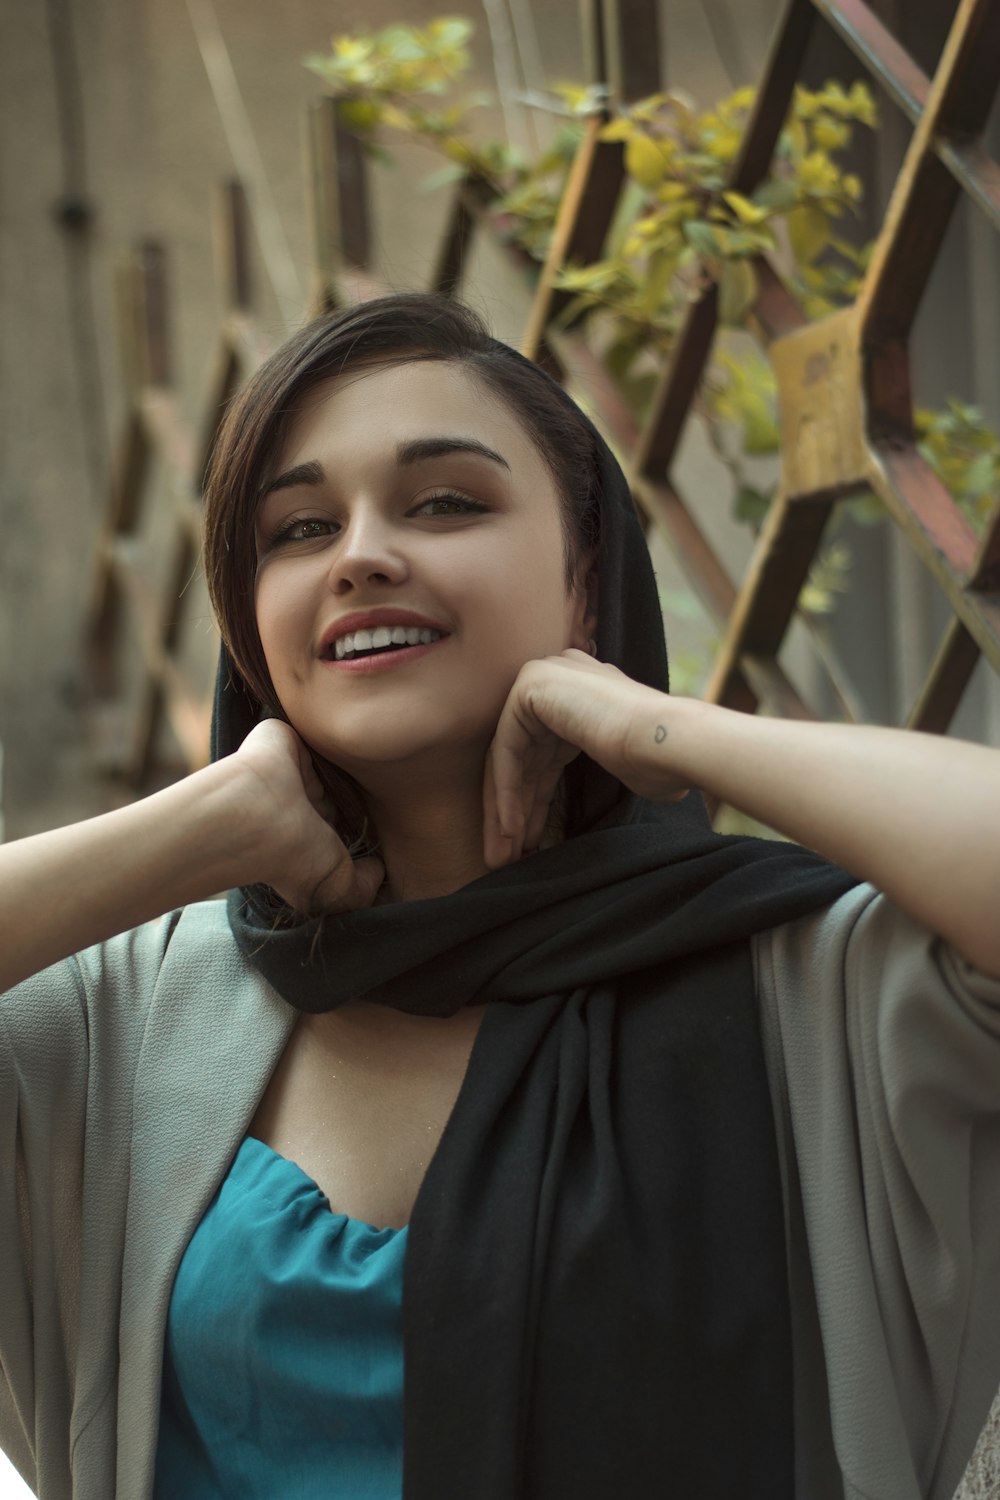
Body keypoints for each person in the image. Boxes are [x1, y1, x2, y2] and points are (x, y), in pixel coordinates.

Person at [1, 292, 999, 1500]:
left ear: (589, 579)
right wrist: (197, 825)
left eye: (445, 502)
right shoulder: (128, 1013)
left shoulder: (804, 986)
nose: (363, 553)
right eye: (299, 528)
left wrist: (655, 725)